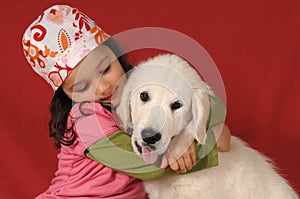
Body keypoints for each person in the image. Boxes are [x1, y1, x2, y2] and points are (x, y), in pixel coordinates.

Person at [22, 4, 231, 198]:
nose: (102, 88)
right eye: (82, 87)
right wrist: (202, 149)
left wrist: (211, 122)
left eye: (105, 69)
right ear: (67, 95)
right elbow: (146, 166)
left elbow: (199, 93)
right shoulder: (86, 118)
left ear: (115, 53)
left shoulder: (139, 84)